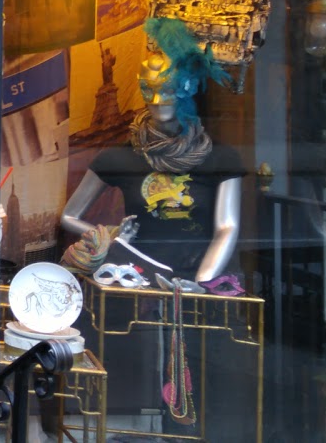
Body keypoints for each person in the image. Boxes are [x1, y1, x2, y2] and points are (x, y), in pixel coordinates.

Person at [61, 17, 244, 284]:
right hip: (136, 278)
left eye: (167, 89)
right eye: (150, 89)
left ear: (187, 87)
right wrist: (111, 237)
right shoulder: (120, 157)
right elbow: (69, 215)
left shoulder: (220, 158)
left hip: (198, 280)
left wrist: (201, 280)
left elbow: (227, 227)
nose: (158, 101)